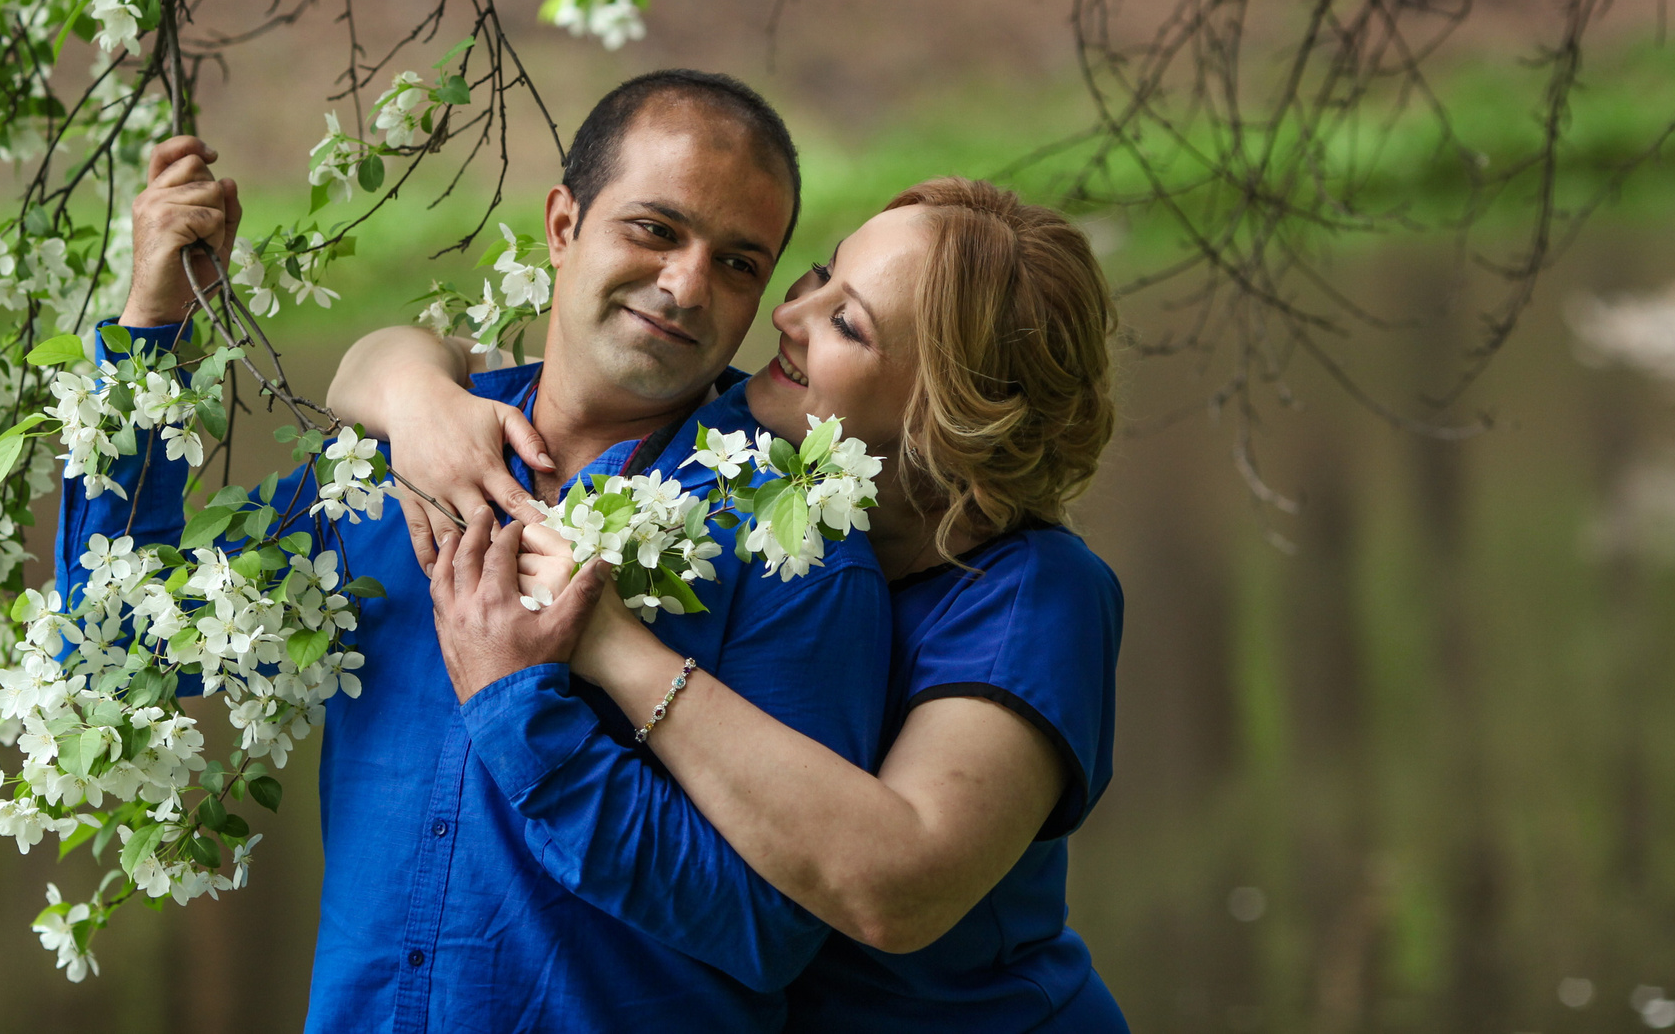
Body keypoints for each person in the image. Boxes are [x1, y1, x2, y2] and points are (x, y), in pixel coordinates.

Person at [52, 70, 893, 1034]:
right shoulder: (388, 464)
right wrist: (156, 320)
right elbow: (110, 650)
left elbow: (771, 927)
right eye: (655, 229)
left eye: (739, 263)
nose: (688, 284)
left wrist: (522, 715)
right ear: (564, 224)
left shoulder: (790, 537)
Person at [346, 177, 1129, 1031]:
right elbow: (409, 356)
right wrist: (416, 399)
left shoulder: (1034, 593)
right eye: (820, 275)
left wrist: (609, 641)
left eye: (847, 322)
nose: (789, 317)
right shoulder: (756, 458)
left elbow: (897, 888)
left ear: (945, 412)